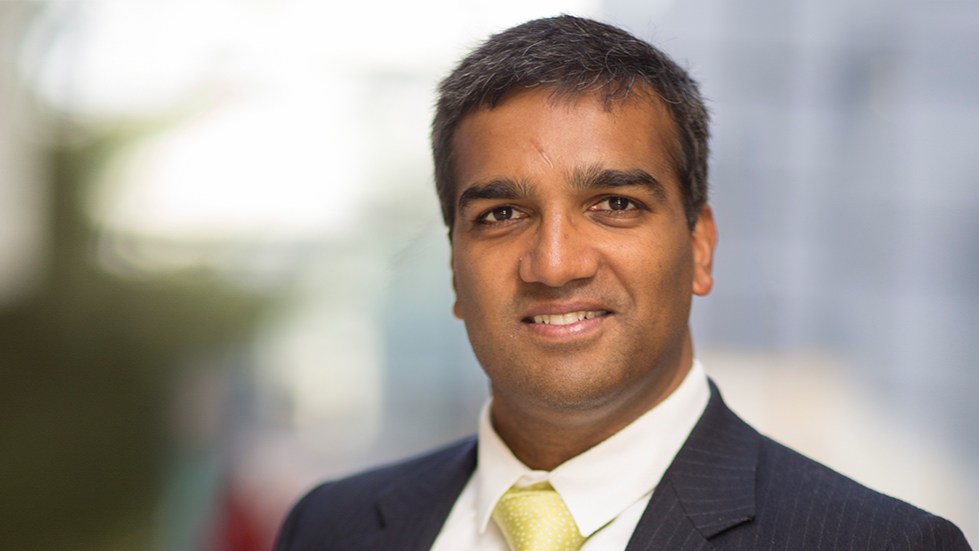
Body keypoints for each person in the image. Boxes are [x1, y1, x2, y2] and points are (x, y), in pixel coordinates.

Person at [275, 15, 971, 551]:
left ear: (699, 246)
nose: (554, 263)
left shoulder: (872, 543)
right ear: (454, 267)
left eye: (614, 205)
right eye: (502, 214)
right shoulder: (330, 525)